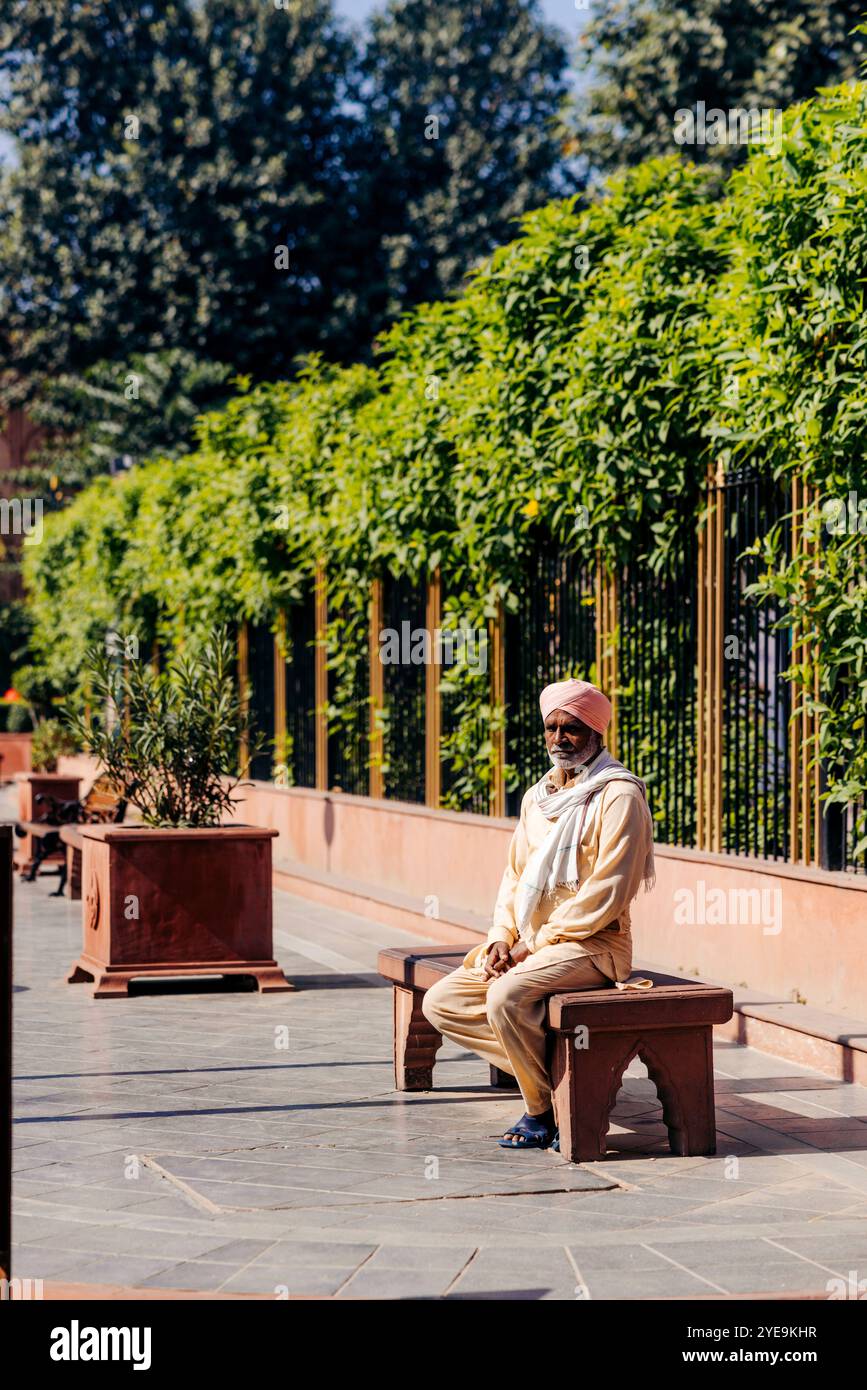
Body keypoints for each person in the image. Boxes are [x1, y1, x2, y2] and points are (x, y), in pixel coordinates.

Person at [421, 677, 655, 1150]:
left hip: (593, 946)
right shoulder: (538, 796)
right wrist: (501, 938)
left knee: (505, 997)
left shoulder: (619, 796)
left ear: (595, 731)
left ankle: (540, 1111)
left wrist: (533, 944)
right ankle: (567, 1087)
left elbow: (607, 892)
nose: (558, 739)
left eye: (571, 728)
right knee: (441, 1001)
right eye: (551, 728)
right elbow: (514, 878)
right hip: (531, 944)